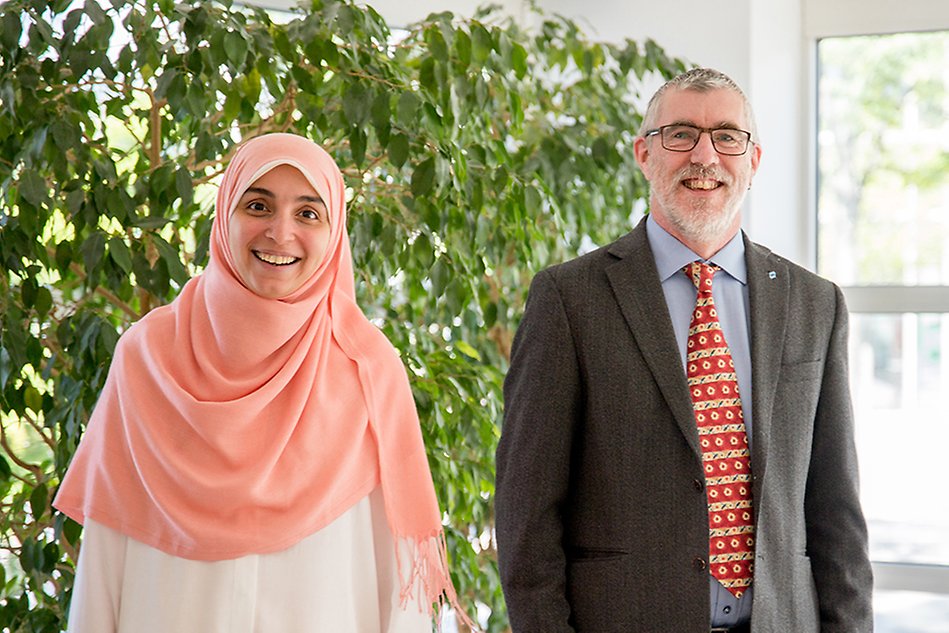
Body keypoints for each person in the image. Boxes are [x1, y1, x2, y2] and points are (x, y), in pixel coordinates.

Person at [495, 68, 873, 632]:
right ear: (644, 153)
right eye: (680, 135)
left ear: (754, 161)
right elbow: (527, 514)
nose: (705, 155)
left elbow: (836, 511)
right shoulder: (570, 298)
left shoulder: (815, 304)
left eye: (727, 136)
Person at [54, 133, 471, 632]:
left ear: (334, 230)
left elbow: (397, 583)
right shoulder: (148, 355)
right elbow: (106, 550)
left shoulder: (367, 369)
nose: (280, 232)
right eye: (258, 205)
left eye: (308, 214)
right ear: (225, 212)